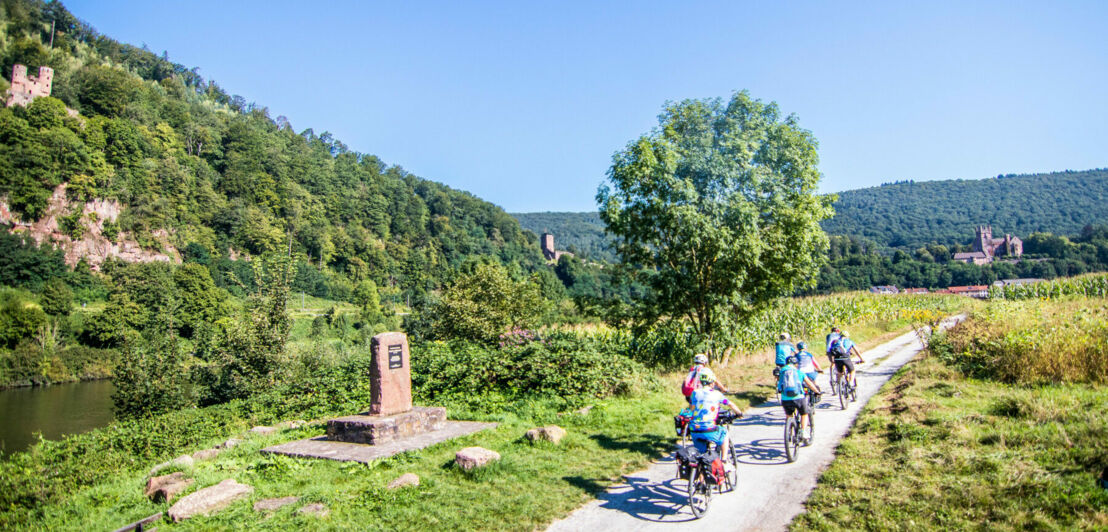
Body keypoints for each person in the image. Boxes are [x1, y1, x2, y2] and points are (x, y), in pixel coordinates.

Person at [689, 371, 743, 460]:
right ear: (712, 383)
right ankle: (724, 460)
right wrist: (739, 413)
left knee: (701, 459)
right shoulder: (717, 394)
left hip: (694, 429)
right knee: (724, 433)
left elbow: (691, 408)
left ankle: (700, 472)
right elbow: (730, 404)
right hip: (708, 429)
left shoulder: (695, 393)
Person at [777, 355, 820, 442]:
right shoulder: (799, 372)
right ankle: (803, 432)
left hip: (785, 398)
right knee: (804, 413)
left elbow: (779, 386)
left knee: (789, 415)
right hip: (798, 398)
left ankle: (789, 432)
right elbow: (809, 384)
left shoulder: (782, 372)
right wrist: (817, 391)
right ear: (796, 364)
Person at [824, 327, 842, 395]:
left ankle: (831, 375)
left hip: (830, 351)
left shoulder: (828, 335)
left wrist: (827, 351)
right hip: (838, 350)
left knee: (832, 363)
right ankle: (838, 375)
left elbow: (828, 344)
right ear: (837, 331)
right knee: (838, 362)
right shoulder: (839, 335)